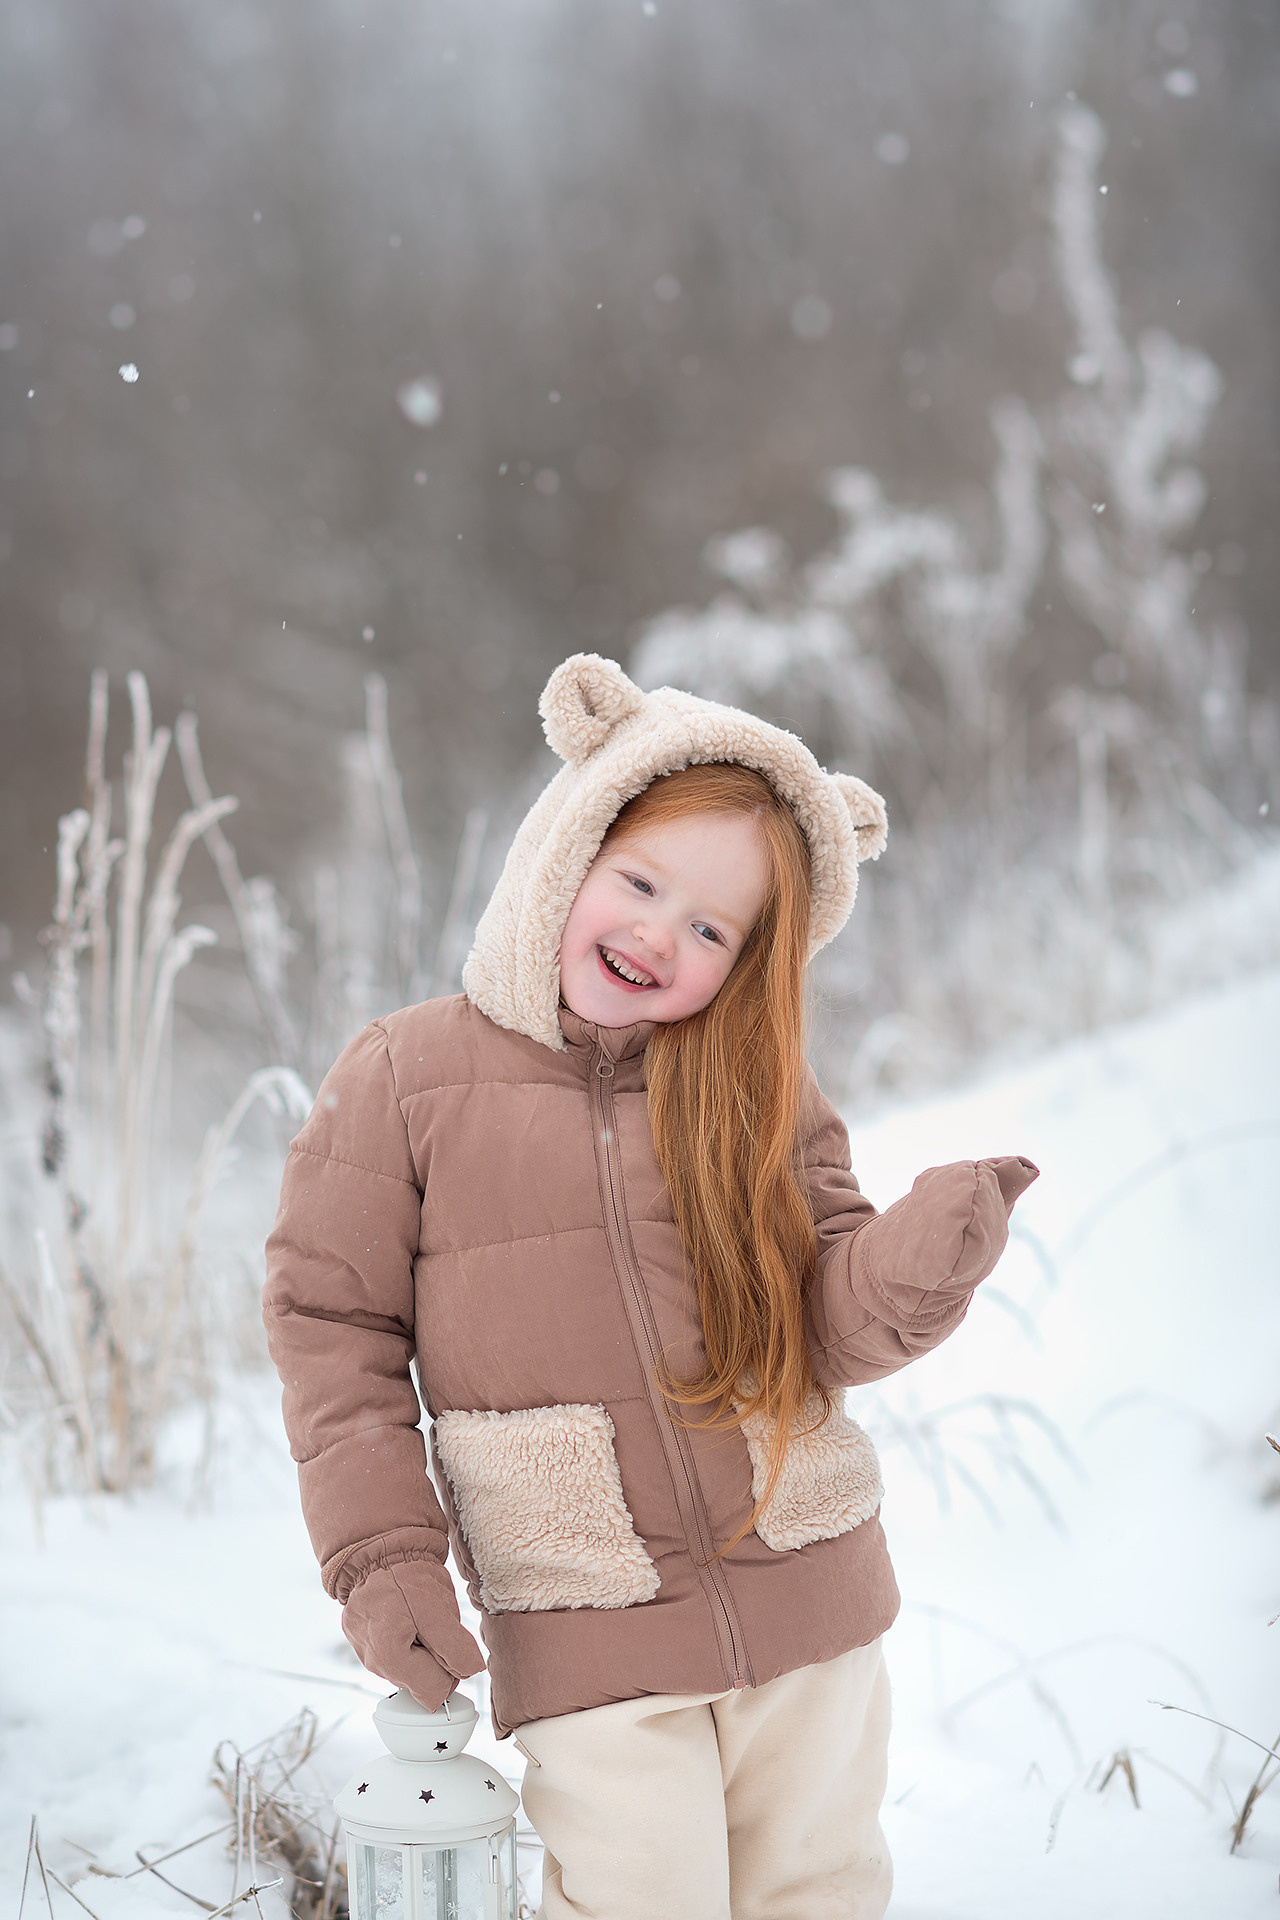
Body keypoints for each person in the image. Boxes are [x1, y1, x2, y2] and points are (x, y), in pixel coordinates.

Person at [264, 652, 1038, 1920]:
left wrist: (912, 1267)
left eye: (710, 928)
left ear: (750, 962)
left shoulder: (759, 1093)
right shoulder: (405, 1078)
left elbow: (824, 1319)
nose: (655, 936)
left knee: (819, 1887)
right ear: (564, 850)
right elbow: (331, 1330)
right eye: (638, 882)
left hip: (806, 1580)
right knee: (639, 1897)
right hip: (587, 1598)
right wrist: (384, 1563)